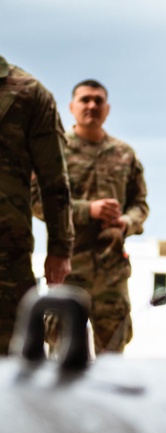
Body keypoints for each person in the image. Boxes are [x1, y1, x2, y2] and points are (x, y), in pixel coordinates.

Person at [32, 80, 148, 353]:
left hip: (112, 275)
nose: (92, 106)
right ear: (72, 107)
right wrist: (88, 210)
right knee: (62, 356)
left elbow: (140, 206)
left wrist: (126, 222)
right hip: (69, 269)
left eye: (98, 100)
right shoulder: (55, 151)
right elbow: (37, 202)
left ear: (107, 109)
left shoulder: (124, 154)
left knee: (113, 356)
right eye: (85, 100)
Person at [0, 56, 73, 354]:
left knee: (12, 363)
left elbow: (53, 178)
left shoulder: (29, 93)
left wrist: (59, 247)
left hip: (6, 258)